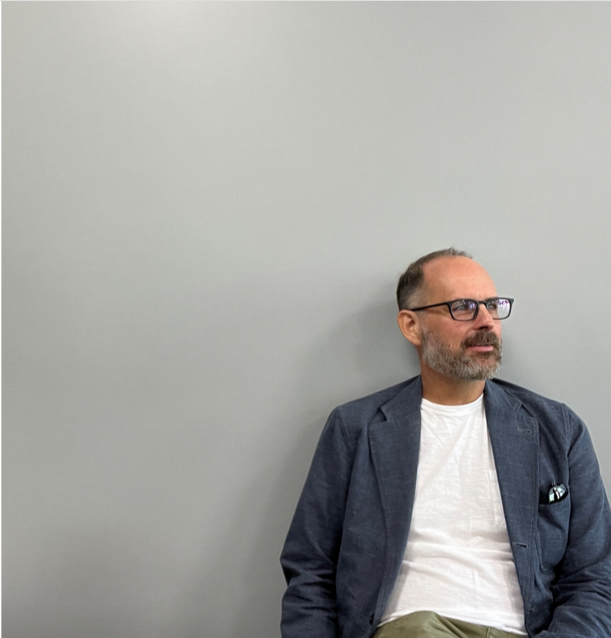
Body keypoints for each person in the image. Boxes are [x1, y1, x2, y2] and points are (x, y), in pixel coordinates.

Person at [280, 249, 611, 638]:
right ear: (411, 326)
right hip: (414, 629)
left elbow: (594, 578)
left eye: (492, 305)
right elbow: (311, 571)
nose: (486, 321)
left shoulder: (558, 430)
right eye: (464, 308)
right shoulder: (356, 429)